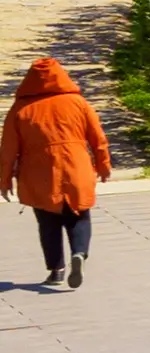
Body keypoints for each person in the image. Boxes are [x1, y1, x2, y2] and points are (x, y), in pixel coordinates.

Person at [7, 57, 112, 290]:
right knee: (79, 216)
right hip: (76, 167)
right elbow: (98, 138)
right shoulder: (78, 102)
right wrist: (103, 165)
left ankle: (56, 271)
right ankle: (79, 253)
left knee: (48, 222)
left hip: (38, 174)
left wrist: (3, 179)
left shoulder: (20, 109)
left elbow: (8, 149)